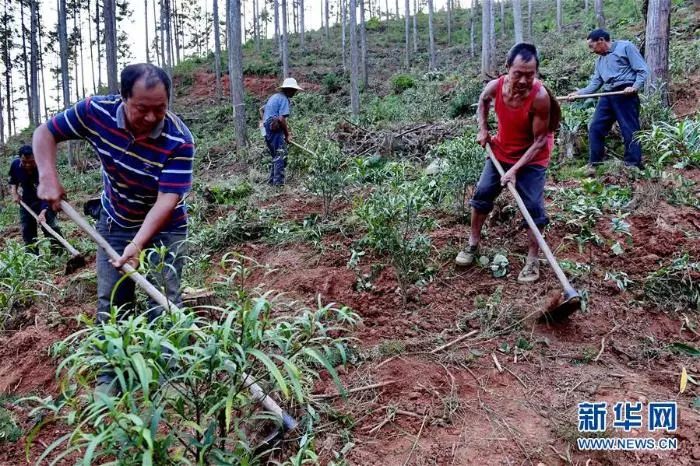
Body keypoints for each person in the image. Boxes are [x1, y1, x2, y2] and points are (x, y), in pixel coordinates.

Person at [32, 63, 195, 390]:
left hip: (165, 227)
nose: (152, 118)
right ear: (123, 98)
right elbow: (45, 133)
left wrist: (137, 246)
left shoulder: (179, 140)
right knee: (112, 300)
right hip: (116, 220)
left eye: (160, 109)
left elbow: (167, 200)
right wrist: (48, 175)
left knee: (163, 299)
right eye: (142, 109)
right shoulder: (95, 112)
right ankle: (113, 380)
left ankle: (170, 385)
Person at [455, 43, 560, 284]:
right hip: (501, 149)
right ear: (507, 68)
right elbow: (483, 102)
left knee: (532, 206)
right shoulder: (495, 87)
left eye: (530, 74)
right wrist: (483, 129)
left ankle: (532, 259)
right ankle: (472, 244)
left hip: (532, 157)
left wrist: (514, 170)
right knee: (482, 193)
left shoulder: (540, 97)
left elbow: (539, 141)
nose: (524, 80)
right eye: (518, 73)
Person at [567, 29, 649, 171]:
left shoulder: (625, 47)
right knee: (596, 127)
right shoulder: (599, 61)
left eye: (591, 46)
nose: (591, 50)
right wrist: (578, 94)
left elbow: (642, 70)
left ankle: (633, 164)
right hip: (607, 94)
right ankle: (595, 164)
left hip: (625, 92)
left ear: (601, 40)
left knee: (629, 129)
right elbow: (595, 83)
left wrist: (634, 87)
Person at [8, 145, 64, 253]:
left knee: (50, 226)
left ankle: (59, 252)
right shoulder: (15, 165)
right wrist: (14, 193)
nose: (28, 165)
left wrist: (43, 211)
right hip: (27, 201)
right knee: (27, 229)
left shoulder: (43, 168)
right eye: (25, 162)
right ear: (20, 159)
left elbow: (47, 191)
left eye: (31, 162)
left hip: (45, 199)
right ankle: (32, 256)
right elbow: (13, 180)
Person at [261, 77, 303, 185]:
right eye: (293, 90)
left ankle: (272, 182)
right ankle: (278, 184)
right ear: (289, 89)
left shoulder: (275, 97)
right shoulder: (284, 99)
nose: (294, 92)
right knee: (281, 155)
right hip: (273, 128)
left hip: (266, 128)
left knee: (276, 156)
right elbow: (281, 119)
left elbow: (262, 110)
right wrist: (287, 135)